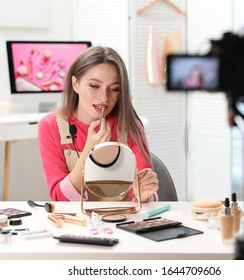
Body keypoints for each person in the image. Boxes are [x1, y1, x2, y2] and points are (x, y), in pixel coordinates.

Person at [37, 46, 159, 202]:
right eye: (94, 86)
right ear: (75, 84)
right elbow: (61, 200)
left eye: (114, 89)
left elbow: (146, 198)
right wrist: (90, 150)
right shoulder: (50, 126)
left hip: (123, 221)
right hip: (77, 223)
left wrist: (144, 192)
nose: (104, 97)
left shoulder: (130, 124)